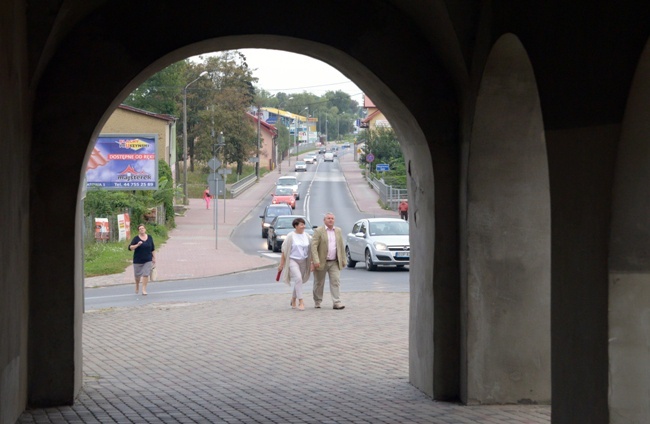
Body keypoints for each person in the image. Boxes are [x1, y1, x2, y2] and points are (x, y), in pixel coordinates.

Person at [311, 212, 347, 310]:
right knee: (319, 283)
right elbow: (313, 246)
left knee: (335, 281)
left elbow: (340, 246)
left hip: (334, 261)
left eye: (332, 218)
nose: (330, 220)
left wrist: (343, 259)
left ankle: (336, 302)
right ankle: (317, 301)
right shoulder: (319, 231)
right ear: (324, 220)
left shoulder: (338, 230)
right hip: (321, 261)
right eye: (328, 218)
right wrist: (315, 260)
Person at [277, 217, 312, 311]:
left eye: (304, 224)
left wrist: (312, 262)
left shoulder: (307, 236)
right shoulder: (290, 236)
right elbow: (284, 251)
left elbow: (311, 250)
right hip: (293, 260)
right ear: (296, 226)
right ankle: (301, 302)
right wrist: (281, 264)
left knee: (298, 281)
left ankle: (293, 299)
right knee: (299, 278)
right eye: (301, 225)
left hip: (303, 261)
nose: (303, 226)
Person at [128, 223, 156, 295]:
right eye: (140, 229)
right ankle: (137, 285)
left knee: (146, 274)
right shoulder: (136, 238)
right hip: (138, 260)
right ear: (138, 231)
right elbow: (130, 248)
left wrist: (154, 257)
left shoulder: (149, 237)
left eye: (142, 228)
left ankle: (144, 289)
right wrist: (137, 245)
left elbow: (152, 248)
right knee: (137, 275)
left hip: (148, 259)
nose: (141, 230)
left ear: (145, 229)